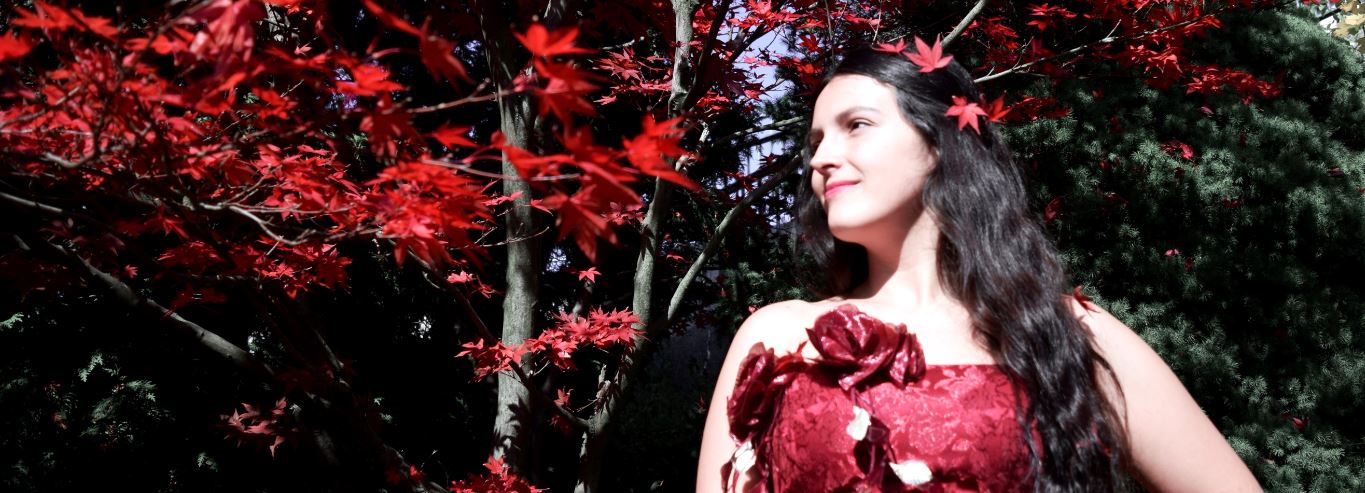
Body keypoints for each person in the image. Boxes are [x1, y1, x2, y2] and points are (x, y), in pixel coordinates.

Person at [696, 45, 1262, 492]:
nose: (820, 158)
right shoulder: (776, 337)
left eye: (857, 125)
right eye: (816, 141)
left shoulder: (1065, 335)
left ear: (939, 141)